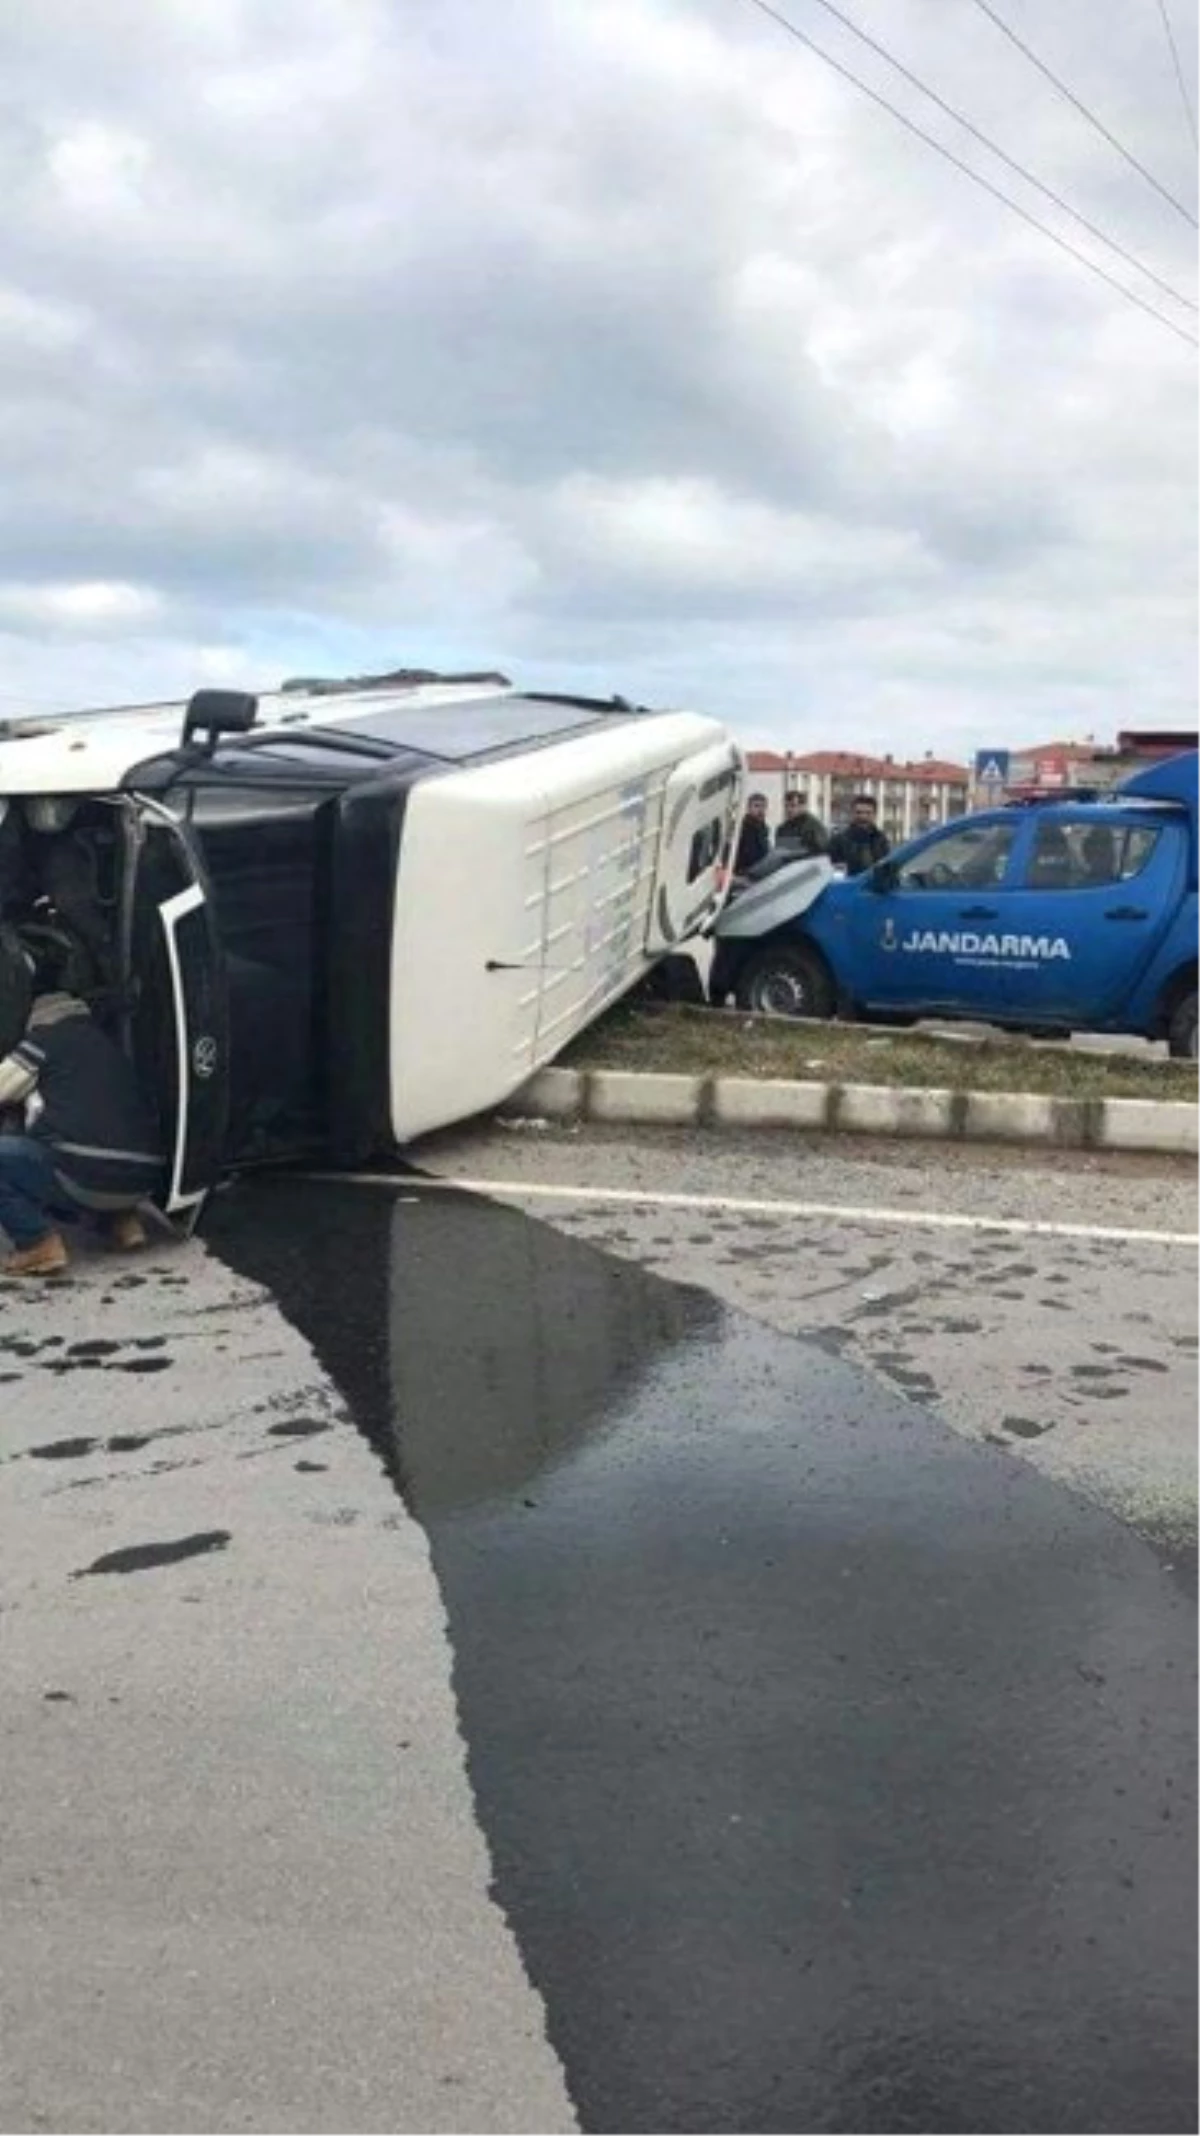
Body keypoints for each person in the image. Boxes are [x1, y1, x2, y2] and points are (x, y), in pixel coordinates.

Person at [0, 986, 162, 1276]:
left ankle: (37, 1244)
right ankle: (121, 1220)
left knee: (32, 1155)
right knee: (81, 1141)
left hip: (85, 1175)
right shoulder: (111, 1048)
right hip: (144, 1181)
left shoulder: (45, 1040)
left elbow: (2, 1086)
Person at [830, 795, 890, 876]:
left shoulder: (881, 839)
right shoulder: (838, 841)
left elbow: (887, 866)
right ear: (852, 813)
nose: (863, 816)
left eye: (868, 813)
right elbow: (834, 870)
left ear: (875, 815)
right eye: (858, 812)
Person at [775, 790, 828, 857]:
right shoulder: (782, 828)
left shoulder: (814, 826)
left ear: (802, 806)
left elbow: (821, 850)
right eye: (786, 806)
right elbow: (779, 850)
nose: (789, 810)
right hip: (786, 864)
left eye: (793, 806)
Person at [733, 792, 771, 875]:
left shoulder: (764, 829)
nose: (760, 810)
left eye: (763, 806)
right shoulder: (740, 829)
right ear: (749, 808)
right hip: (743, 873)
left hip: (759, 872)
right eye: (756, 806)